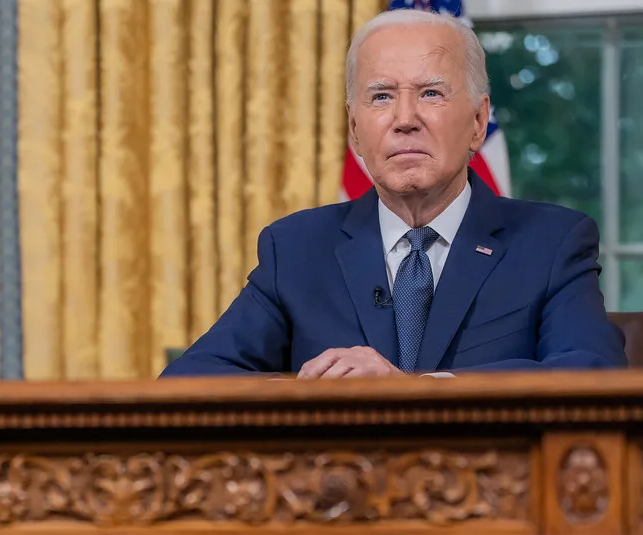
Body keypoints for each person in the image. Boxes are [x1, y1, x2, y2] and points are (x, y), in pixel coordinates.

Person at [163, 8, 626, 379]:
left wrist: (419, 390)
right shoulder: (297, 248)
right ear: (354, 130)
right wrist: (304, 390)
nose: (404, 118)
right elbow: (190, 379)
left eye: (430, 93)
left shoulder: (550, 242)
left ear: (479, 123)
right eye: (381, 96)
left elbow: (593, 371)